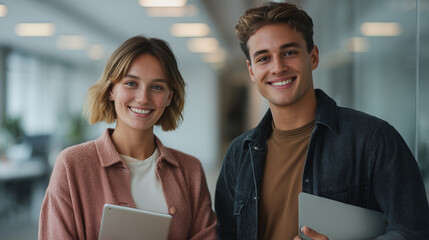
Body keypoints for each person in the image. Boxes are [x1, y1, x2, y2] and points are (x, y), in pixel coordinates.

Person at [215, 2, 429, 240]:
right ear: (252, 71)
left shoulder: (373, 140)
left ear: (313, 57)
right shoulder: (238, 155)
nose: (278, 67)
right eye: (264, 58)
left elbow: (413, 231)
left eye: (289, 52)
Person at [39, 36, 217, 239]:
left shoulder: (190, 170)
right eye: (131, 83)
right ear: (110, 90)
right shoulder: (72, 165)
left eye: (157, 87)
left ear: (169, 97)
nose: (143, 98)